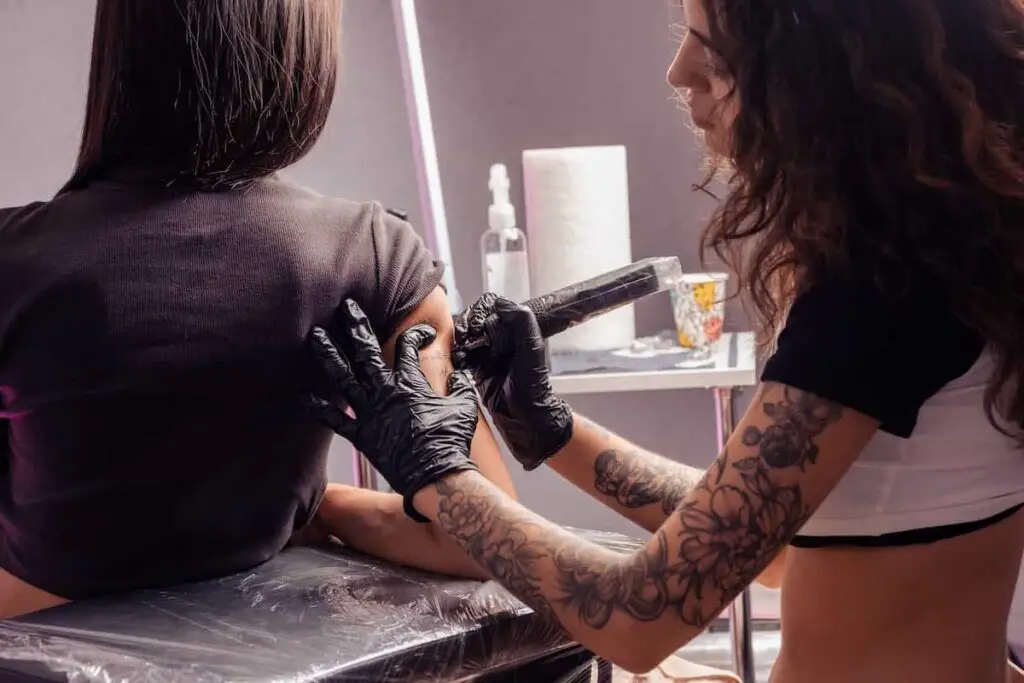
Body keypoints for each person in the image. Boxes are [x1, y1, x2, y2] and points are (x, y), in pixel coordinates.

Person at [306, 0, 1024, 681]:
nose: (678, 73)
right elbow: (766, 544)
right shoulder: (961, 256)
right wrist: (552, 430)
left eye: (713, 53)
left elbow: (635, 616)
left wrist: (437, 474)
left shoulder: (873, 300)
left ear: (823, 75)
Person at [0, 0, 516, 620]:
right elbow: (481, 542)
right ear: (303, 51)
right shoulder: (371, 251)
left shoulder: (15, 256)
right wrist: (319, 507)